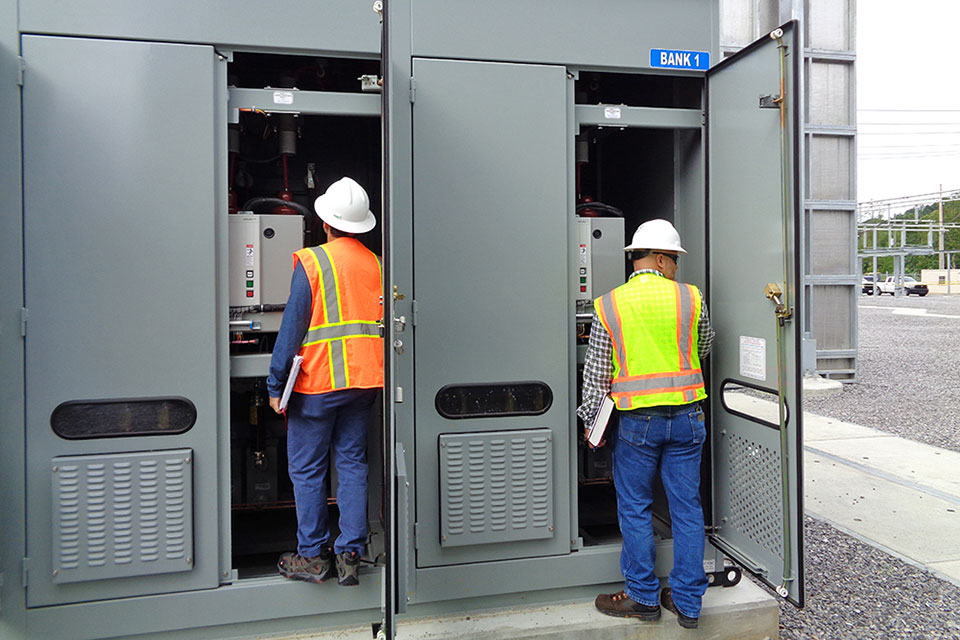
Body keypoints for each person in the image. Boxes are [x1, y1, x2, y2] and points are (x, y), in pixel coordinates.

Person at [578, 219, 715, 629]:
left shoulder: (610, 304)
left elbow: (597, 372)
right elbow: (704, 345)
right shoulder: (691, 298)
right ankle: (688, 602)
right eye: (673, 259)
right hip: (689, 417)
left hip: (637, 421)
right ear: (659, 257)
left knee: (635, 507)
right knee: (687, 508)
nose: (676, 267)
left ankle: (642, 597)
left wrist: (591, 422)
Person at [267, 176, 383, 587]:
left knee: (308, 470)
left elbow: (291, 330)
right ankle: (350, 554)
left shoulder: (312, 261)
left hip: (316, 385)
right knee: (352, 464)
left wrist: (275, 386)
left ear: (325, 223)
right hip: (364, 382)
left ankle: (313, 556)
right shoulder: (376, 264)